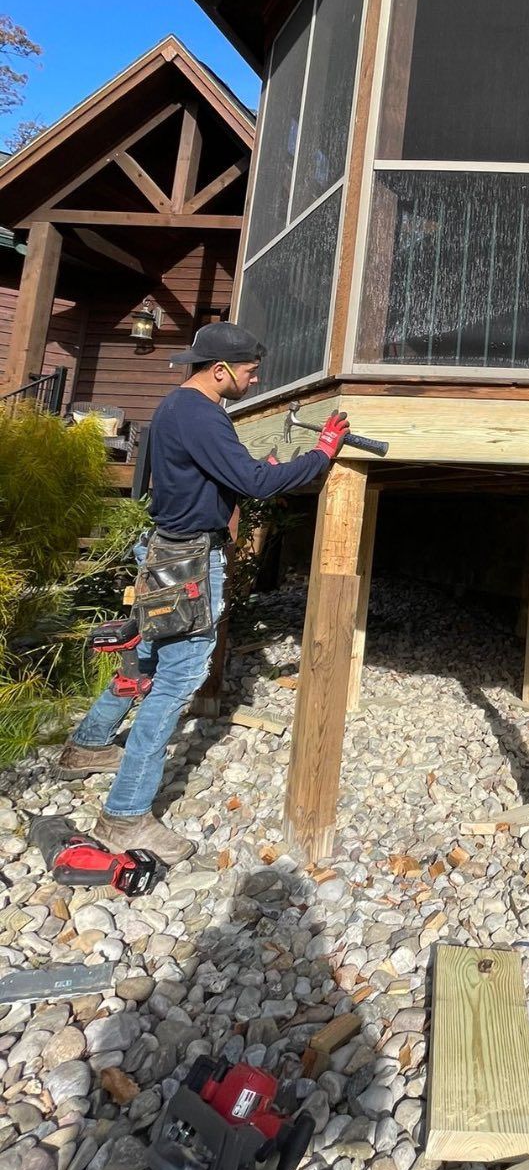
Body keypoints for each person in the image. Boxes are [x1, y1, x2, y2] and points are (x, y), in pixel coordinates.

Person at [56, 322, 350, 862]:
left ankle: (87, 747)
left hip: (161, 550)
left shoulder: (172, 408)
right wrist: (321, 453)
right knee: (177, 680)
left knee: (146, 657)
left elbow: (193, 476)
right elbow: (257, 485)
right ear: (220, 371)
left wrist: (245, 472)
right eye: (249, 370)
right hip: (190, 559)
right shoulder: (204, 415)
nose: (256, 378)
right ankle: (124, 816)